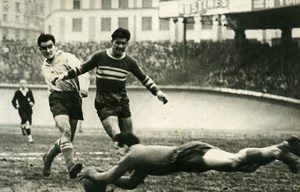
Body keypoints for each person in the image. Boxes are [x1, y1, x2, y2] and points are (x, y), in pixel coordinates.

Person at [54, 27, 168, 140]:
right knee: (117, 136)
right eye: (117, 43)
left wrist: (158, 92)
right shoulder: (100, 56)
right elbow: (82, 68)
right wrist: (64, 75)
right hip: (104, 103)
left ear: (127, 44)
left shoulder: (130, 62)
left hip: (122, 102)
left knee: (130, 140)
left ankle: (126, 157)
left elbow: (144, 79)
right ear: (112, 42)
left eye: (124, 43)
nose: (120, 46)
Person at [78, 133, 300, 190]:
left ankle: (280, 152)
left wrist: (91, 172)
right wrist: (110, 182)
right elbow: (131, 184)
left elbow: (106, 176)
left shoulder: (133, 155)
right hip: (188, 156)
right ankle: (282, 147)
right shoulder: (140, 159)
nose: (117, 154)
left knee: (235, 161)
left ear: (125, 146)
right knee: (248, 167)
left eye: (116, 149)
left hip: (187, 156)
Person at [37, 33, 90, 179]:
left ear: (54, 45)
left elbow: (84, 72)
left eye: (50, 46)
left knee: (68, 139)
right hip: (57, 97)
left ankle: (48, 157)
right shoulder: (44, 66)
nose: (48, 50)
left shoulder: (68, 57)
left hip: (74, 97)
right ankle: (71, 166)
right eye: (44, 48)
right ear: (40, 50)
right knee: (65, 131)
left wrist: (84, 87)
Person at [11, 79, 35, 143]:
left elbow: (33, 100)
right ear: (20, 84)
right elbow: (13, 101)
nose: (23, 85)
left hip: (29, 110)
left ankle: (22, 126)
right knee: (27, 122)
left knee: (28, 123)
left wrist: (32, 103)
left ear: (26, 84)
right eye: (21, 84)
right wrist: (16, 106)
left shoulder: (29, 91)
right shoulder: (18, 92)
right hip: (21, 110)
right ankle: (30, 138)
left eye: (24, 83)